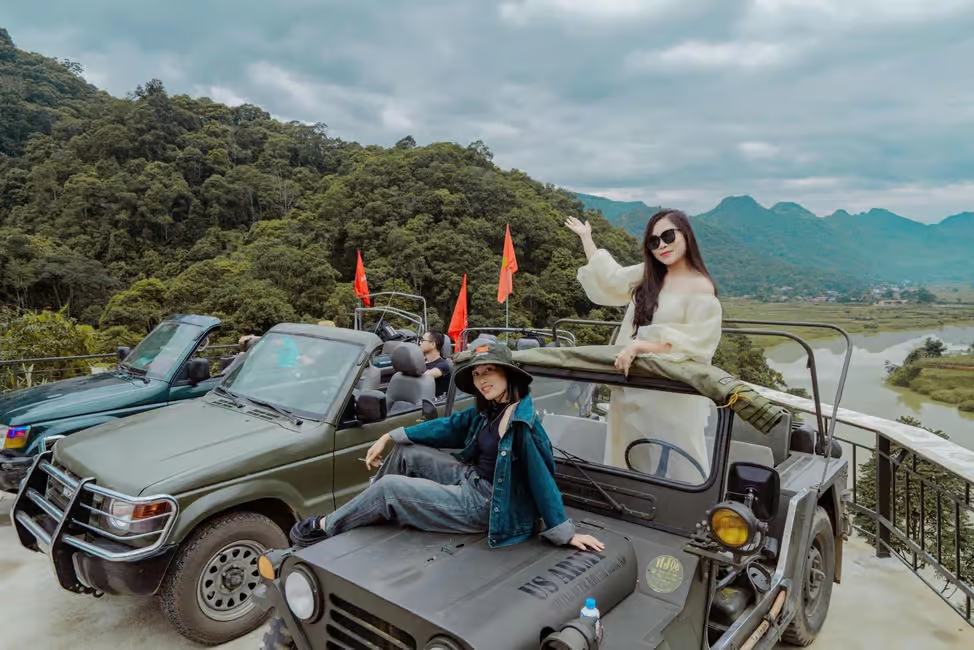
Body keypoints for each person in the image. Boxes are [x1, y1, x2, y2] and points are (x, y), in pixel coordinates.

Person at [288, 343, 605, 552]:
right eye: (478, 374)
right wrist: (391, 435)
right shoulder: (488, 410)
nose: (482, 380)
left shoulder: (523, 424)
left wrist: (565, 532)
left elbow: (543, 477)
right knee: (406, 452)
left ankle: (325, 526)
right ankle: (367, 510)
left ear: (508, 374)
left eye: (489, 372)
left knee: (390, 489)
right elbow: (447, 427)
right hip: (470, 479)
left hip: (486, 505)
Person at [565, 209, 723, 484]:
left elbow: (697, 345)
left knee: (675, 462)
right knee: (625, 453)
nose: (661, 245)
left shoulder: (700, 287)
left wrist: (640, 346)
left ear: (686, 236)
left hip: (670, 394)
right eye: (653, 242)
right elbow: (609, 276)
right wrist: (586, 238)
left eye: (668, 236)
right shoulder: (647, 274)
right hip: (630, 384)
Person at [420, 329, 452, 396]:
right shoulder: (422, 362)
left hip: (435, 404)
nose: (420, 343)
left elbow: (425, 376)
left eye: (423, 340)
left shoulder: (443, 365)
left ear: (433, 344)